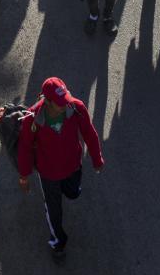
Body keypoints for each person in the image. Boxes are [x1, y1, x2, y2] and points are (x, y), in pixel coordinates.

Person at [16, 76, 104, 257]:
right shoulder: (32, 120)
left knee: (73, 192)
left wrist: (97, 159)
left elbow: (89, 133)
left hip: (72, 165)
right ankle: (58, 242)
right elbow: (24, 148)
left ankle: (70, 189)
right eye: (59, 103)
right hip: (48, 174)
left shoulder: (76, 107)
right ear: (46, 101)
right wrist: (24, 175)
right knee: (54, 209)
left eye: (66, 99)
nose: (65, 105)